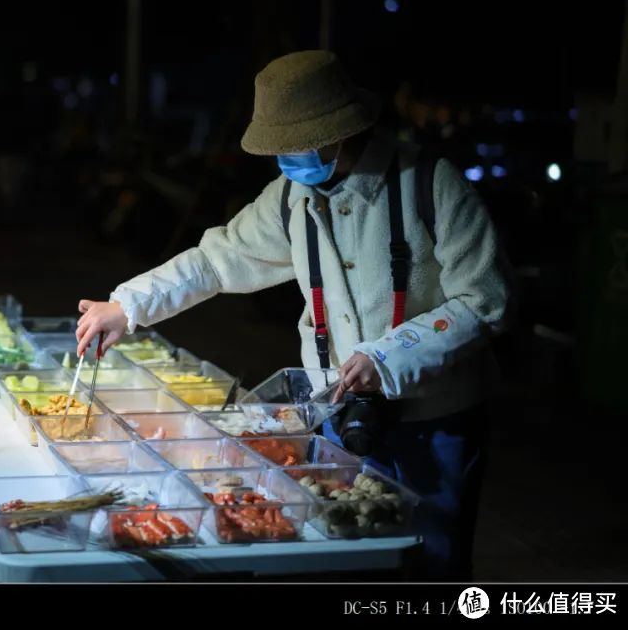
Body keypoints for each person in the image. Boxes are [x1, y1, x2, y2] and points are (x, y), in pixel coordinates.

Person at [76, 50, 512, 580]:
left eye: (295, 144)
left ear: (342, 129)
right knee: (339, 555)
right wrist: (129, 305)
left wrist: (391, 355)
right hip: (335, 414)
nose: (286, 158)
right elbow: (217, 261)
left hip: (437, 418)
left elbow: (486, 301)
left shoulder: (433, 184)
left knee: (432, 556)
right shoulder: (290, 197)